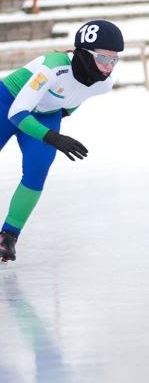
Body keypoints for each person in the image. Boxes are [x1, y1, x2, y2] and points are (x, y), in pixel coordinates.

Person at [1, 20, 124, 261]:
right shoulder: (53, 67)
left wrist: (54, 125)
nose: (108, 67)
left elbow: (73, 100)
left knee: (37, 171)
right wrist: (54, 137)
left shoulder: (103, 84)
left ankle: (8, 236)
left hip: (46, 116)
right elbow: (17, 112)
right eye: (103, 59)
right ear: (83, 54)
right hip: (7, 102)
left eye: (114, 60)